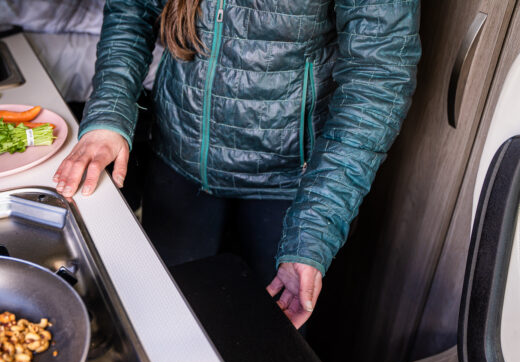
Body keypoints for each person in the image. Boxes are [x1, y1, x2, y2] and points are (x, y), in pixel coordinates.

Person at [53, 1, 421, 328]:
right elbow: (132, 10)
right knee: (168, 322)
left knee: (267, 346)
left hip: (293, 185)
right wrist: (108, 117)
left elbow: (377, 79)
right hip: (179, 159)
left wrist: (313, 233)